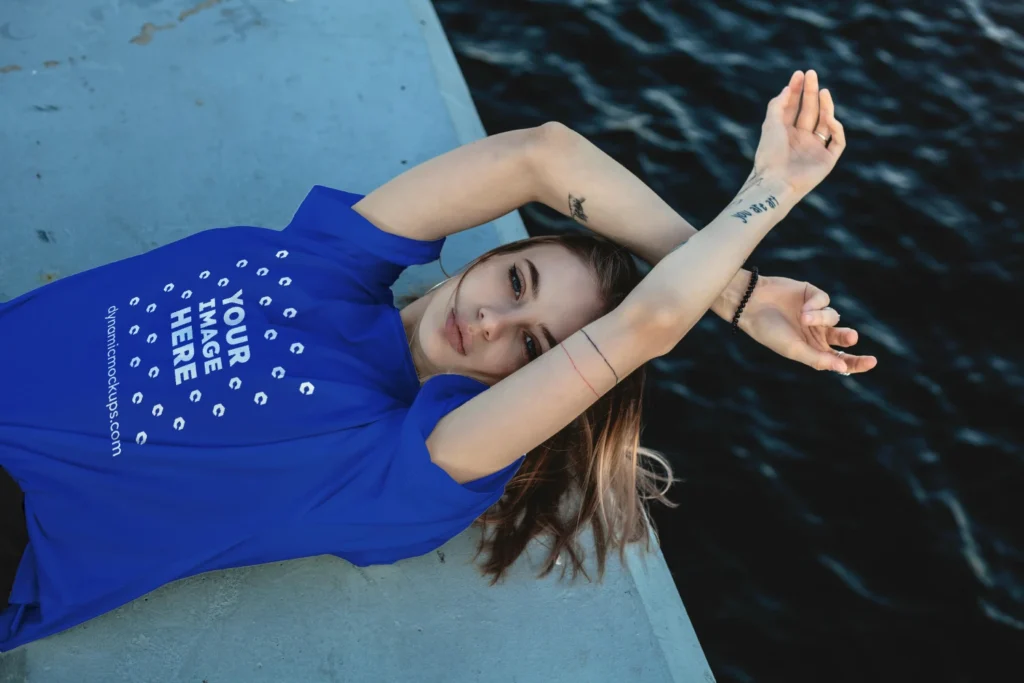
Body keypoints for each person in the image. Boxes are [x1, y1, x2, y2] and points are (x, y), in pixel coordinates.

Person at [0, 69, 875, 651]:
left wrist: (772, 191)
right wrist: (741, 286)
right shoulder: (333, 260)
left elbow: (646, 325)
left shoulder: (406, 465)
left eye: (532, 348)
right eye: (517, 279)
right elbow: (539, 155)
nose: (492, 319)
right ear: (486, 257)